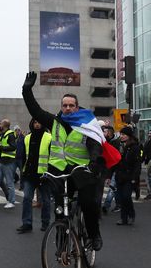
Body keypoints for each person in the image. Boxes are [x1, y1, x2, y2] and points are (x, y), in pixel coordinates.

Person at [22, 72, 106, 251]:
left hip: (82, 171)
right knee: (59, 211)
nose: (68, 108)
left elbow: (94, 146)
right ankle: (61, 245)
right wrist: (26, 90)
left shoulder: (86, 124)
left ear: (77, 107)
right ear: (61, 107)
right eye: (65, 105)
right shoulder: (54, 122)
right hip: (60, 172)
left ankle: (93, 234)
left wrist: (93, 161)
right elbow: (34, 110)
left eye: (71, 105)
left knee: (88, 203)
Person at [16, 118, 52, 233]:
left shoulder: (49, 137)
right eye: (35, 123)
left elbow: (52, 157)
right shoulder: (27, 138)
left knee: (46, 200)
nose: (37, 125)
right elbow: (23, 155)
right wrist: (23, 170)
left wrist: (50, 172)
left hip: (44, 174)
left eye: (39, 122)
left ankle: (45, 223)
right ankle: (27, 223)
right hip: (29, 174)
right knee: (27, 198)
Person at [115, 127, 141, 226]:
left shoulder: (135, 147)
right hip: (119, 175)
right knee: (121, 198)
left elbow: (137, 164)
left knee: (126, 196)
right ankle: (123, 218)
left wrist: (135, 177)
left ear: (129, 136)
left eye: (124, 135)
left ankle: (131, 214)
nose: (121, 136)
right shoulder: (118, 145)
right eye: (121, 134)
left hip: (129, 176)